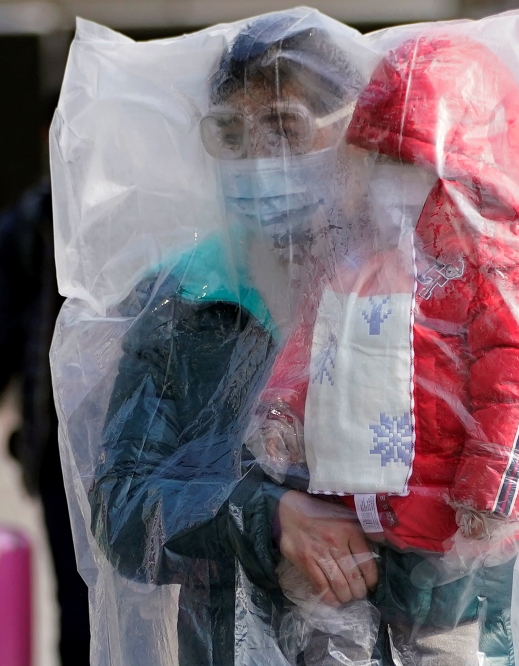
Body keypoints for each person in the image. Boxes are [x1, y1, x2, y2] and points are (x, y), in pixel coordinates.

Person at [251, 34, 519, 665]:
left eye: (414, 165)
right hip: (369, 515)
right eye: (381, 163)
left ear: (475, 167)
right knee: (330, 623)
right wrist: (282, 414)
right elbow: (317, 342)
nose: (393, 185)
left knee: (451, 643)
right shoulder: (367, 256)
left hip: (461, 530)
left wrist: (496, 490)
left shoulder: (513, 258)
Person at [87, 15, 375, 664]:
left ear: (350, 131)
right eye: (232, 134)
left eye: (284, 126)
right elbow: (122, 505)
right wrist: (265, 516)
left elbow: (514, 502)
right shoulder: (182, 298)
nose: (257, 160)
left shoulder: (413, 290)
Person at [0, 176, 90, 664]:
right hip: (58, 444)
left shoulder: (137, 203)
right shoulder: (32, 221)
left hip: (133, 448)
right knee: (75, 606)